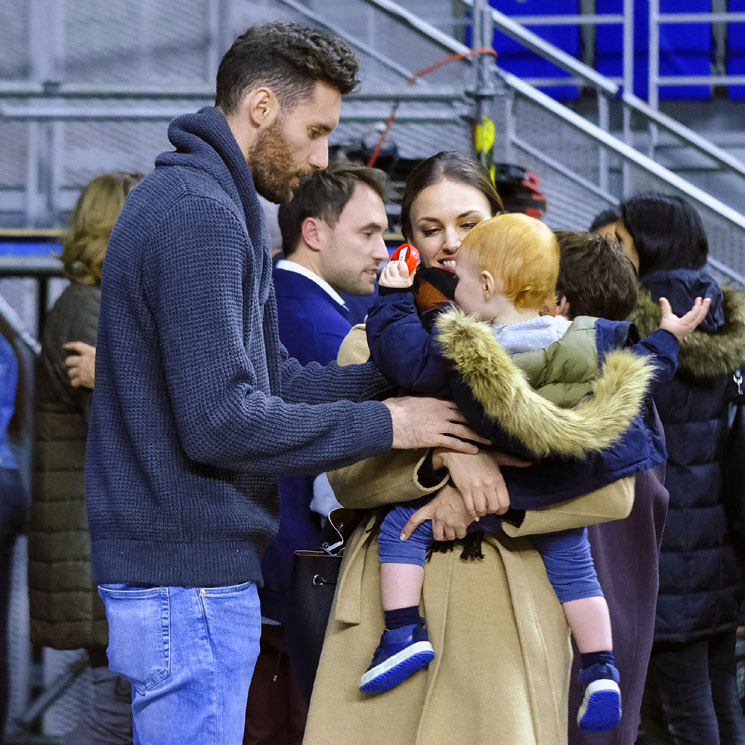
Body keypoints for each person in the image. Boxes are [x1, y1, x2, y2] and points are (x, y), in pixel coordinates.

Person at [85, 25, 483, 745]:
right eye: (316, 131)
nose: (322, 157)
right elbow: (222, 421)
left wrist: (395, 378)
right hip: (188, 580)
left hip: (191, 576)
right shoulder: (198, 214)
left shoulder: (213, 205)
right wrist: (394, 424)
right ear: (263, 107)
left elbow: (278, 380)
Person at [303, 151, 640, 745]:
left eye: (468, 223)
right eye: (429, 229)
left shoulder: (565, 345)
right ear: (407, 239)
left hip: (509, 603)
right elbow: (347, 477)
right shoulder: (372, 340)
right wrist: (442, 456)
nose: (450, 243)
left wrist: (486, 495)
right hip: (389, 604)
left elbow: (615, 489)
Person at [362, 214, 706, 732]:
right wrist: (670, 337)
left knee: (402, 530)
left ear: (485, 285)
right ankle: (600, 666)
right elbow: (639, 368)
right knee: (576, 568)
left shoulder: (473, 352)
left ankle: (402, 633)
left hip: (496, 488)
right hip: (556, 483)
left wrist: (391, 299)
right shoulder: (583, 340)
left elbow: (406, 358)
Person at [243, 161, 389, 744]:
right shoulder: (317, 326)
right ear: (313, 233)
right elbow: (338, 471)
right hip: (295, 567)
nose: (384, 250)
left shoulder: (294, 304)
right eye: (369, 232)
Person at [615, 193, 745, 745]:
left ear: (649, 245)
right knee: (720, 696)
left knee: (682, 708)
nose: (614, 251)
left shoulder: (643, 324)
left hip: (667, 550)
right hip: (723, 547)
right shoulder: (720, 314)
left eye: (621, 242)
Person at [28, 171, 143, 745]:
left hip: (97, 544)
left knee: (116, 720)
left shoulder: (98, 305)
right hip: (100, 548)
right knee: (115, 724)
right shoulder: (91, 311)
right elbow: (122, 435)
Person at [553, 229, 671, 745]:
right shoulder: (630, 388)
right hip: (627, 610)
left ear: (557, 305)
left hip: (582, 623)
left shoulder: (567, 394)